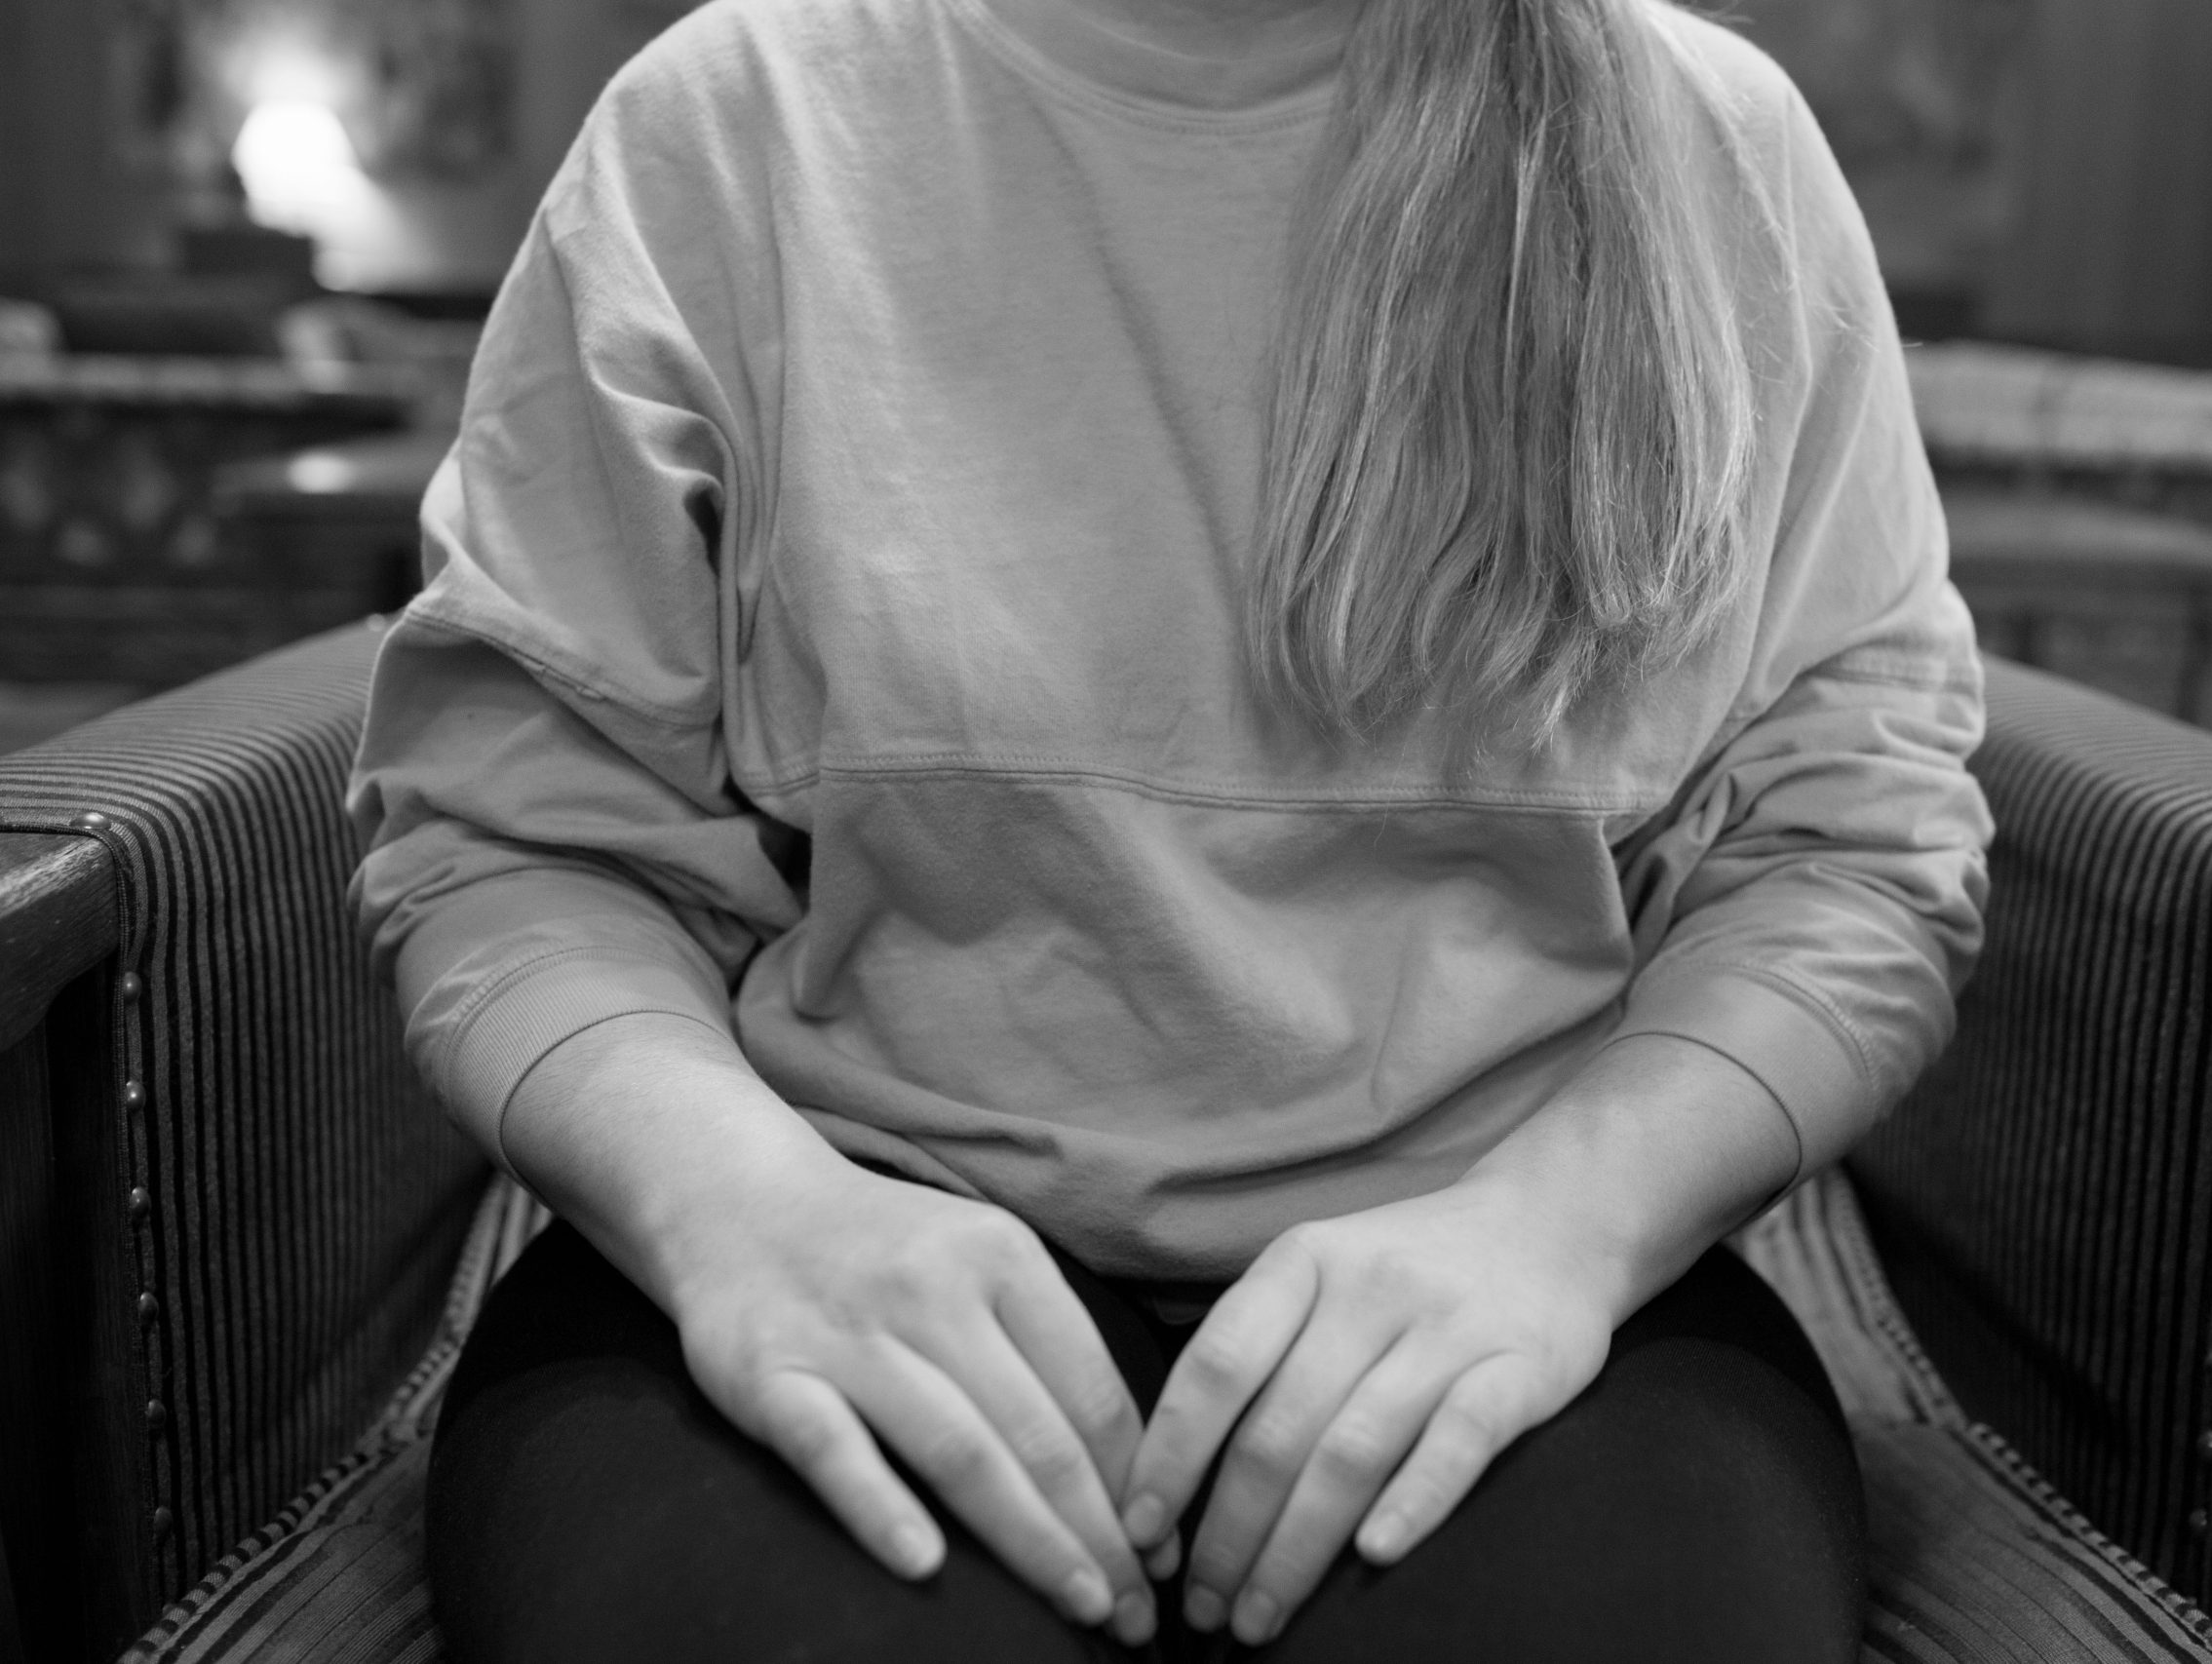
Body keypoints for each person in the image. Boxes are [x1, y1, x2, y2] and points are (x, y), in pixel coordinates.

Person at [347, 0, 1992, 1656]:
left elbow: (1846, 850)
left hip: (1533, 1248)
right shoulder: (735, 119)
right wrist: (748, 1215)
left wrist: (1560, 1230)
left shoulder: (1722, 147)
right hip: (834, 1210)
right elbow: (519, 842)